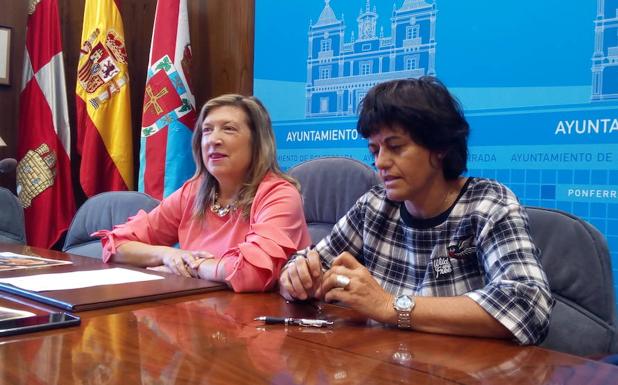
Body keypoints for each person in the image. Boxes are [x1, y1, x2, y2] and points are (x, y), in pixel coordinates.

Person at [279, 77, 554, 345]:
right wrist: (297, 277)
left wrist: (389, 306)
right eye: (374, 150)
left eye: (396, 147)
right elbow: (308, 261)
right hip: (383, 364)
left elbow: (528, 305)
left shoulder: (488, 204)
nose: (381, 162)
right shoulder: (374, 205)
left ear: (440, 147)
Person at [95, 94, 311, 292]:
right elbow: (116, 246)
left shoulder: (279, 195)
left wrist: (192, 267)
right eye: (207, 130)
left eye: (229, 129)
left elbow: (251, 272)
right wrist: (168, 255)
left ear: (257, 143)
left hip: (260, 325)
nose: (212, 140)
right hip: (198, 317)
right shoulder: (193, 191)